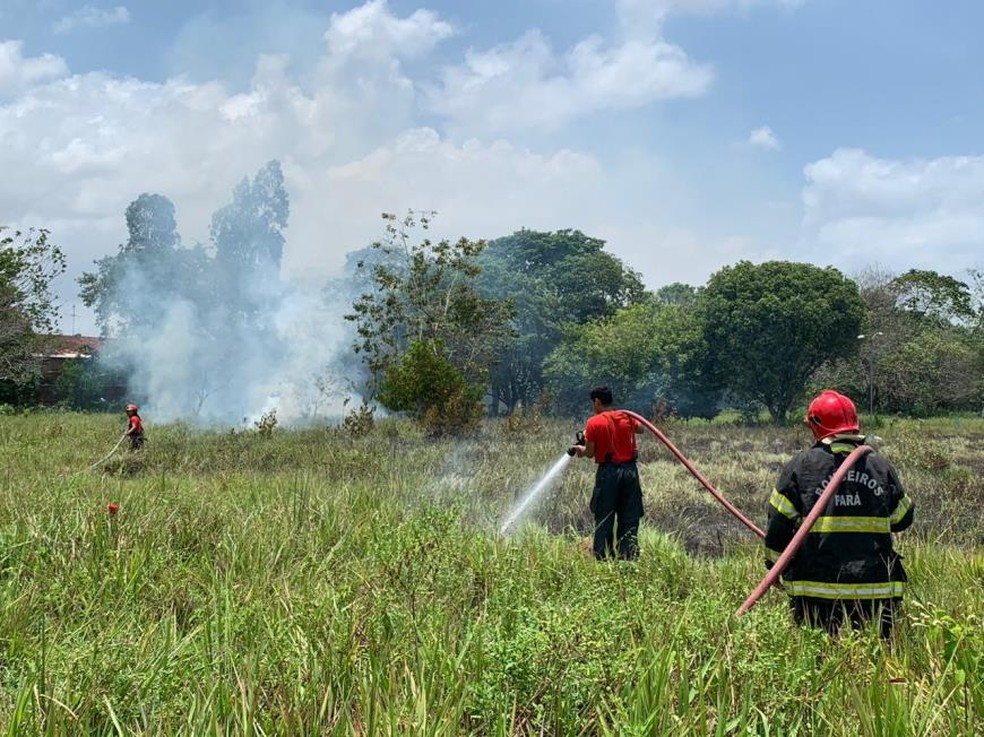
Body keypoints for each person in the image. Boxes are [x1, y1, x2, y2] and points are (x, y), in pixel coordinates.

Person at [765, 389, 914, 637]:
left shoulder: (801, 467)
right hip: (875, 589)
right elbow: (902, 519)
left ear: (815, 425)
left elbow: (779, 525)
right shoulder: (879, 465)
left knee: (819, 661)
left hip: (816, 590)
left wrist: (774, 565)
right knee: (878, 661)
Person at [569, 386, 645, 560]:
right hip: (630, 473)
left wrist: (581, 448)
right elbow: (641, 429)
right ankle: (628, 557)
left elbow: (589, 453)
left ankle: (603, 558)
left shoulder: (593, 422)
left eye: (593, 403)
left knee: (604, 517)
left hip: (608, 474)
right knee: (630, 516)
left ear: (597, 401)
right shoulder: (626, 417)